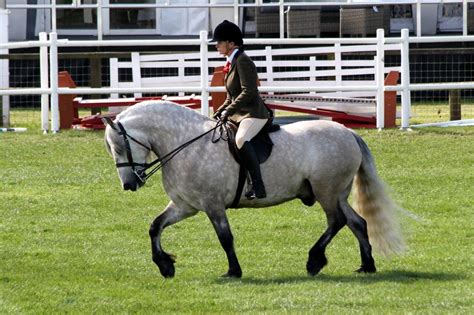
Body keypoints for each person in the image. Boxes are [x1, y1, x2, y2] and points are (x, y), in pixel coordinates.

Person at [211, 20, 271, 199]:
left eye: (220, 42)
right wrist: (217, 113)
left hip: (253, 113)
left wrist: (228, 111)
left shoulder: (243, 60)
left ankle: (257, 186)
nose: (216, 46)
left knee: (241, 139)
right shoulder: (231, 62)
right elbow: (230, 96)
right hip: (239, 113)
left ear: (231, 43)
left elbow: (249, 91)